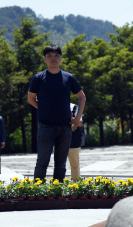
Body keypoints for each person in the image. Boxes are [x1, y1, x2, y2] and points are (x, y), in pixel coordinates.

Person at [28, 44, 85, 182]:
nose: (53, 59)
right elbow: (30, 99)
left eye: (56, 56)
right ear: (44, 59)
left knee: (61, 164)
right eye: (49, 56)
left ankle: (57, 192)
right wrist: (42, 108)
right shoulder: (38, 78)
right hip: (46, 126)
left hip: (65, 126)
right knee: (42, 161)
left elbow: (81, 97)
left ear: (60, 58)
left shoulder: (68, 77)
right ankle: (38, 192)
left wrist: (77, 118)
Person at [67, 103, 84, 181]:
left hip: (73, 140)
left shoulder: (74, 107)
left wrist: (71, 119)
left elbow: (80, 123)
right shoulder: (55, 105)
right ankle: (58, 184)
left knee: (74, 164)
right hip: (59, 138)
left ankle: (76, 184)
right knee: (58, 164)